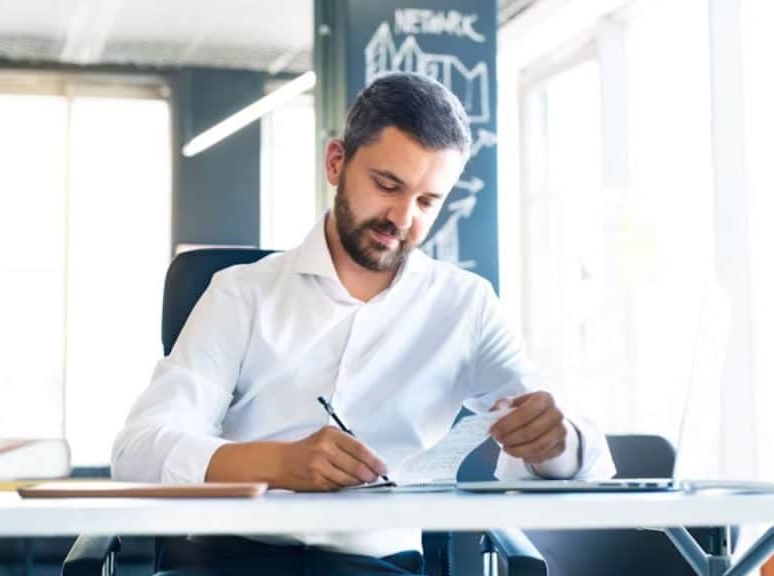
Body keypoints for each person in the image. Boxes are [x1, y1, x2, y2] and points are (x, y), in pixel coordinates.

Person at [112, 72, 615, 576]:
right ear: (337, 162)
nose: (401, 217)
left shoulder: (466, 306)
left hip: (378, 568)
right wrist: (278, 464)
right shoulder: (241, 293)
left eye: (426, 202)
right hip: (233, 562)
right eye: (387, 185)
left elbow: (586, 464)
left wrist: (556, 442)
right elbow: (137, 451)